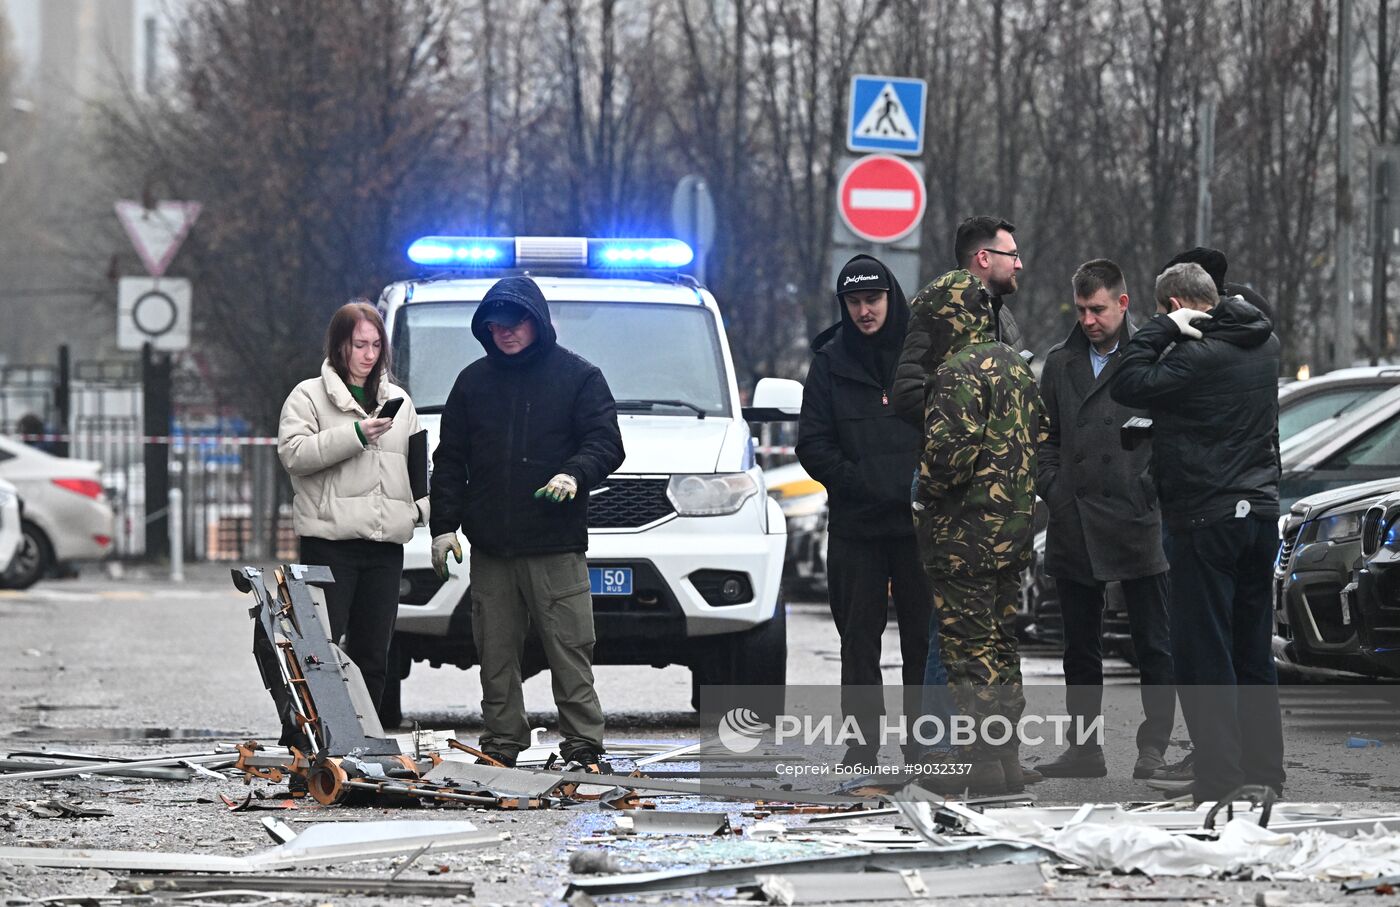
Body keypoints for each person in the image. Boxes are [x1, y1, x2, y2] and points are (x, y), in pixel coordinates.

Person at [429, 276, 624, 771]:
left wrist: (574, 474)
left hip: (555, 544)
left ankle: (583, 745)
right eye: (495, 325)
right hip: (492, 548)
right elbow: (450, 459)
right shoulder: (472, 383)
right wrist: (443, 525)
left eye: (515, 323)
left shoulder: (579, 377)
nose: (506, 333)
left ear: (536, 321)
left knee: (569, 649)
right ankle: (501, 743)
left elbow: (606, 443)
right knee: (494, 654)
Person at [1110, 262, 1285, 802]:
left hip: (1205, 517)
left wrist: (1165, 331)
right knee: (1252, 652)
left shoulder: (1196, 355)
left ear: (1176, 305)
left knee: (1204, 654)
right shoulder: (1266, 344)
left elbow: (1127, 382)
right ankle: (1263, 773)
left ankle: (1219, 778)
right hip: (1258, 513)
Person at [1035, 259, 1175, 780]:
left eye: (1098, 309)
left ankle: (1153, 748)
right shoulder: (1059, 363)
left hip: (1138, 518)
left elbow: (1169, 436)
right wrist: (1054, 488)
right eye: (1081, 310)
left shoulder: (1152, 359)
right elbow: (1043, 438)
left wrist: (1148, 489)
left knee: (1154, 644)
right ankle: (1084, 749)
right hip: (1075, 516)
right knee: (1080, 648)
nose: (1089, 320)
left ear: (1123, 303)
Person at [906, 269, 1042, 796]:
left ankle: (980, 762)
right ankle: (1004, 757)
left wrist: (925, 490)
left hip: (964, 537)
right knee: (1004, 644)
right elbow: (1041, 435)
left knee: (968, 650)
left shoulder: (958, 372)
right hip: (1012, 532)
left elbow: (948, 460)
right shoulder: (1016, 366)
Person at [796, 254, 934, 769]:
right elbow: (812, 443)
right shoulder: (831, 361)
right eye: (854, 302)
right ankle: (861, 749)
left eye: (872, 300)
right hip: (857, 526)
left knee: (923, 642)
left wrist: (920, 484)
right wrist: (861, 484)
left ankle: (924, 746)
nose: (864, 311)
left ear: (890, 298)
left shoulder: (921, 355)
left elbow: (945, 429)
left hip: (918, 524)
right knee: (858, 643)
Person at [276, 300, 427, 728]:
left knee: (373, 655)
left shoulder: (400, 401)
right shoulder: (308, 396)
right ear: (339, 345)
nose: (368, 354)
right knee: (318, 650)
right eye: (359, 344)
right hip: (330, 543)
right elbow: (294, 455)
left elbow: (418, 466)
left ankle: (367, 741)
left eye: (376, 345)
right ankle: (308, 740)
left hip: (383, 546)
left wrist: (419, 511)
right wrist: (357, 433)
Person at [893, 215, 1029, 422]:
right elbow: (909, 396)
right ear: (984, 258)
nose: (1018, 264)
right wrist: (982, 414)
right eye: (1012, 255)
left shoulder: (1001, 312)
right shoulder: (937, 310)